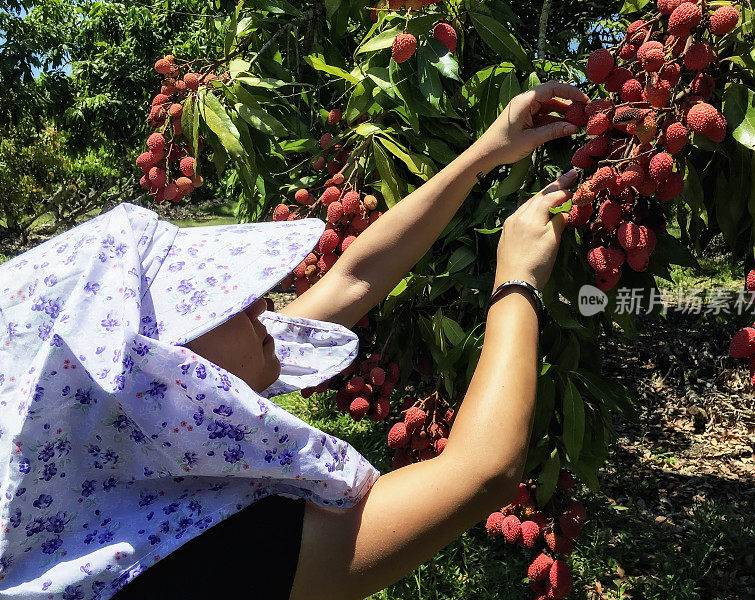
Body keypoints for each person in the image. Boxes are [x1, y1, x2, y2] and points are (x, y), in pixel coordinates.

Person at [0, 81, 586, 600]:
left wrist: (487, 150)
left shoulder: (133, 446)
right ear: (160, 371)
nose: (260, 303)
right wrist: (518, 280)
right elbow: (482, 471)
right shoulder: (190, 560)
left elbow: (353, 277)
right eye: (214, 302)